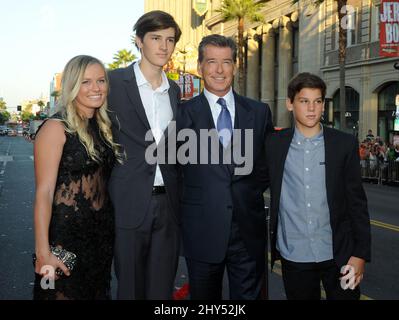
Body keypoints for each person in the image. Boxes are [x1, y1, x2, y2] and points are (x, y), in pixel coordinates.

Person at [176, 34, 274, 299]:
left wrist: (247, 192)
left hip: (247, 231)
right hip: (202, 231)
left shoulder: (259, 112)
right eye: (211, 62)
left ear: (235, 66)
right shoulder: (181, 114)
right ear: (200, 67)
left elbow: (266, 166)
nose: (219, 70)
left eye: (226, 62)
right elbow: (175, 171)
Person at [266, 72, 371, 300]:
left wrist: (360, 254)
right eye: (304, 101)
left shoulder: (343, 144)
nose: (312, 108)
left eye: (318, 101)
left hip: (339, 254)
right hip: (294, 254)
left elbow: (357, 203)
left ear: (323, 105)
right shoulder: (273, 145)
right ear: (290, 104)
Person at [33, 55, 122, 300]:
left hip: (101, 237)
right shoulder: (55, 127)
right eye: (86, 82)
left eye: (101, 80)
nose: (96, 88)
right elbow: (44, 192)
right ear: (72, 85)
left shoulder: (102, 126)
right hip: (64, 240)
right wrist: (43, 252)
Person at [107, 10, 182, 299]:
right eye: (155, 38)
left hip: (168, 206)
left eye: (170, 39)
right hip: (127, 202)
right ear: (139, 41)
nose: (164, 46)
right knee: (130, 288)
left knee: (161, 290)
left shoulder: (174, 91)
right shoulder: (113, 83)